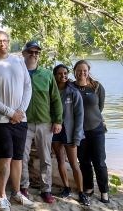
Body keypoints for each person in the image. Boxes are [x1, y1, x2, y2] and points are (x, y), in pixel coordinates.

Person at [0, 31, 34, 211]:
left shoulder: (18, 60)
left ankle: (17, 193)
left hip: (21, 119)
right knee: (6, 156)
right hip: (1, 120)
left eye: (5, 41)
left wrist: (21, 110)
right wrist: (10, 113)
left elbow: (27, 86)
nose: (2, 44)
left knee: (18, 158)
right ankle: (1, 196)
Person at [20, 41, 63, 204]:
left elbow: (55, 99)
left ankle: (46, 190)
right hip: (23, 122)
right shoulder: (19, 72)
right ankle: (23, 186)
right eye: (30, 52)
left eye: (37, 52)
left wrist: (58, 120)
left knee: (45, 158)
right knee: (22, 157)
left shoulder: (46, 74)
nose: (34, 55)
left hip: (45, 123)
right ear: (24, 53)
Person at [51, 64, 89, 206]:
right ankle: (66, 188)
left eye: (65, 73)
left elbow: (80, 116)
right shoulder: (52, 91)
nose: (63, 76)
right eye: (60, 73)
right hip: (55, 131)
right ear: (55, 75)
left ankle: (81, 192)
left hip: (70, 132)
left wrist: (77, 135)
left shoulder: (73, 92)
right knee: (60, 160)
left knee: (74, 164)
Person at [73, 60, 110, 203]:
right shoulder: (71, 87)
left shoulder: (97, 87)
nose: (82, 73)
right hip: (80, 132)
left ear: (88, 71)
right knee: (84, 162)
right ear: (74, 71)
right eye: (79, 70)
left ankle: (104, 191)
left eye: (84, 70)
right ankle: (88, 187)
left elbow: (99, 107)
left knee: (99, 162)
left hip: (96, 130)